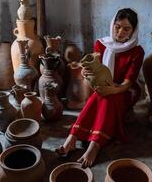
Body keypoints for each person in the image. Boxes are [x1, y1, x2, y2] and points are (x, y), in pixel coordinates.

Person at [56, 8, 145, 167]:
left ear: (134, 30)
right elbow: (94, 69)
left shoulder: (137, 51)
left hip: (126, 89)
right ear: (112, 25)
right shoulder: (102, 44)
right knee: (102, 95)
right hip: (104, 85)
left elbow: (128, 82)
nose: (120, 32)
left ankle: (94, 145)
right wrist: (85, 71)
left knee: (106, 96)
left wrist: (114, 89)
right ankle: (72, 139)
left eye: (126, 29)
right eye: (117, 26)